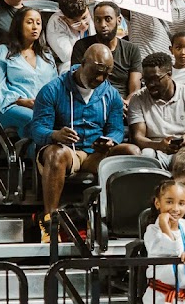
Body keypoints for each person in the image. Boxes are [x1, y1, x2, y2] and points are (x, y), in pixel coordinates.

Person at [31, 43, 140, 230]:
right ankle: (50, 219)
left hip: (96, 154)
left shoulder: (111, 94)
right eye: (95, 73)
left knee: (132, 151)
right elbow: (37, 130)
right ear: (82, 64)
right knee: (56, 154)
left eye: (105, 74)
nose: (99, 79)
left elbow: (116, 129)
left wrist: (110, 141)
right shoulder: (52, 90)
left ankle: (122, 219)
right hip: (67, 153)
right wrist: (55, 134)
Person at [128, 51, 185, 166]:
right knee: (146, 154)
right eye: (146, 80)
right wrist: (159, 145)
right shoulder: (138, 99)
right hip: (155, 149)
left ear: (169, 74)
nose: (150, 84)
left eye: (155, 79)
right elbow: (138, 137)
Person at [0, 7, 58, 138]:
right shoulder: (4, 51)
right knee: (35, 120)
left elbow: (55, 85)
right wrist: (20, 101)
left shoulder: (46, 54)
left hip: (44, 108)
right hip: (13, 107)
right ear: (19, 25)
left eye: (38, 23)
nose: (35, 27)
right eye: (30, 22)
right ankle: (28, 149)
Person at [71, 1, 143, 103]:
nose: (103, 24)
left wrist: (128, 103)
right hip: (92, 102)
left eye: (108, 19)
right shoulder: (81, 46)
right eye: (98, 20)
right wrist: (115, 102)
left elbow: (135, 88)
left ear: (119, 20)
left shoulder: (131, 49)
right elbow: (80, 81)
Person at [46, 0, 93, 72]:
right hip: (69, 63)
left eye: (85, 18)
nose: (83, 24)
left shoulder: (93, 12)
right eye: (76, 22)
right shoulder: (56, 23)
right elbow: (67, 56)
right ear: (64, 18)